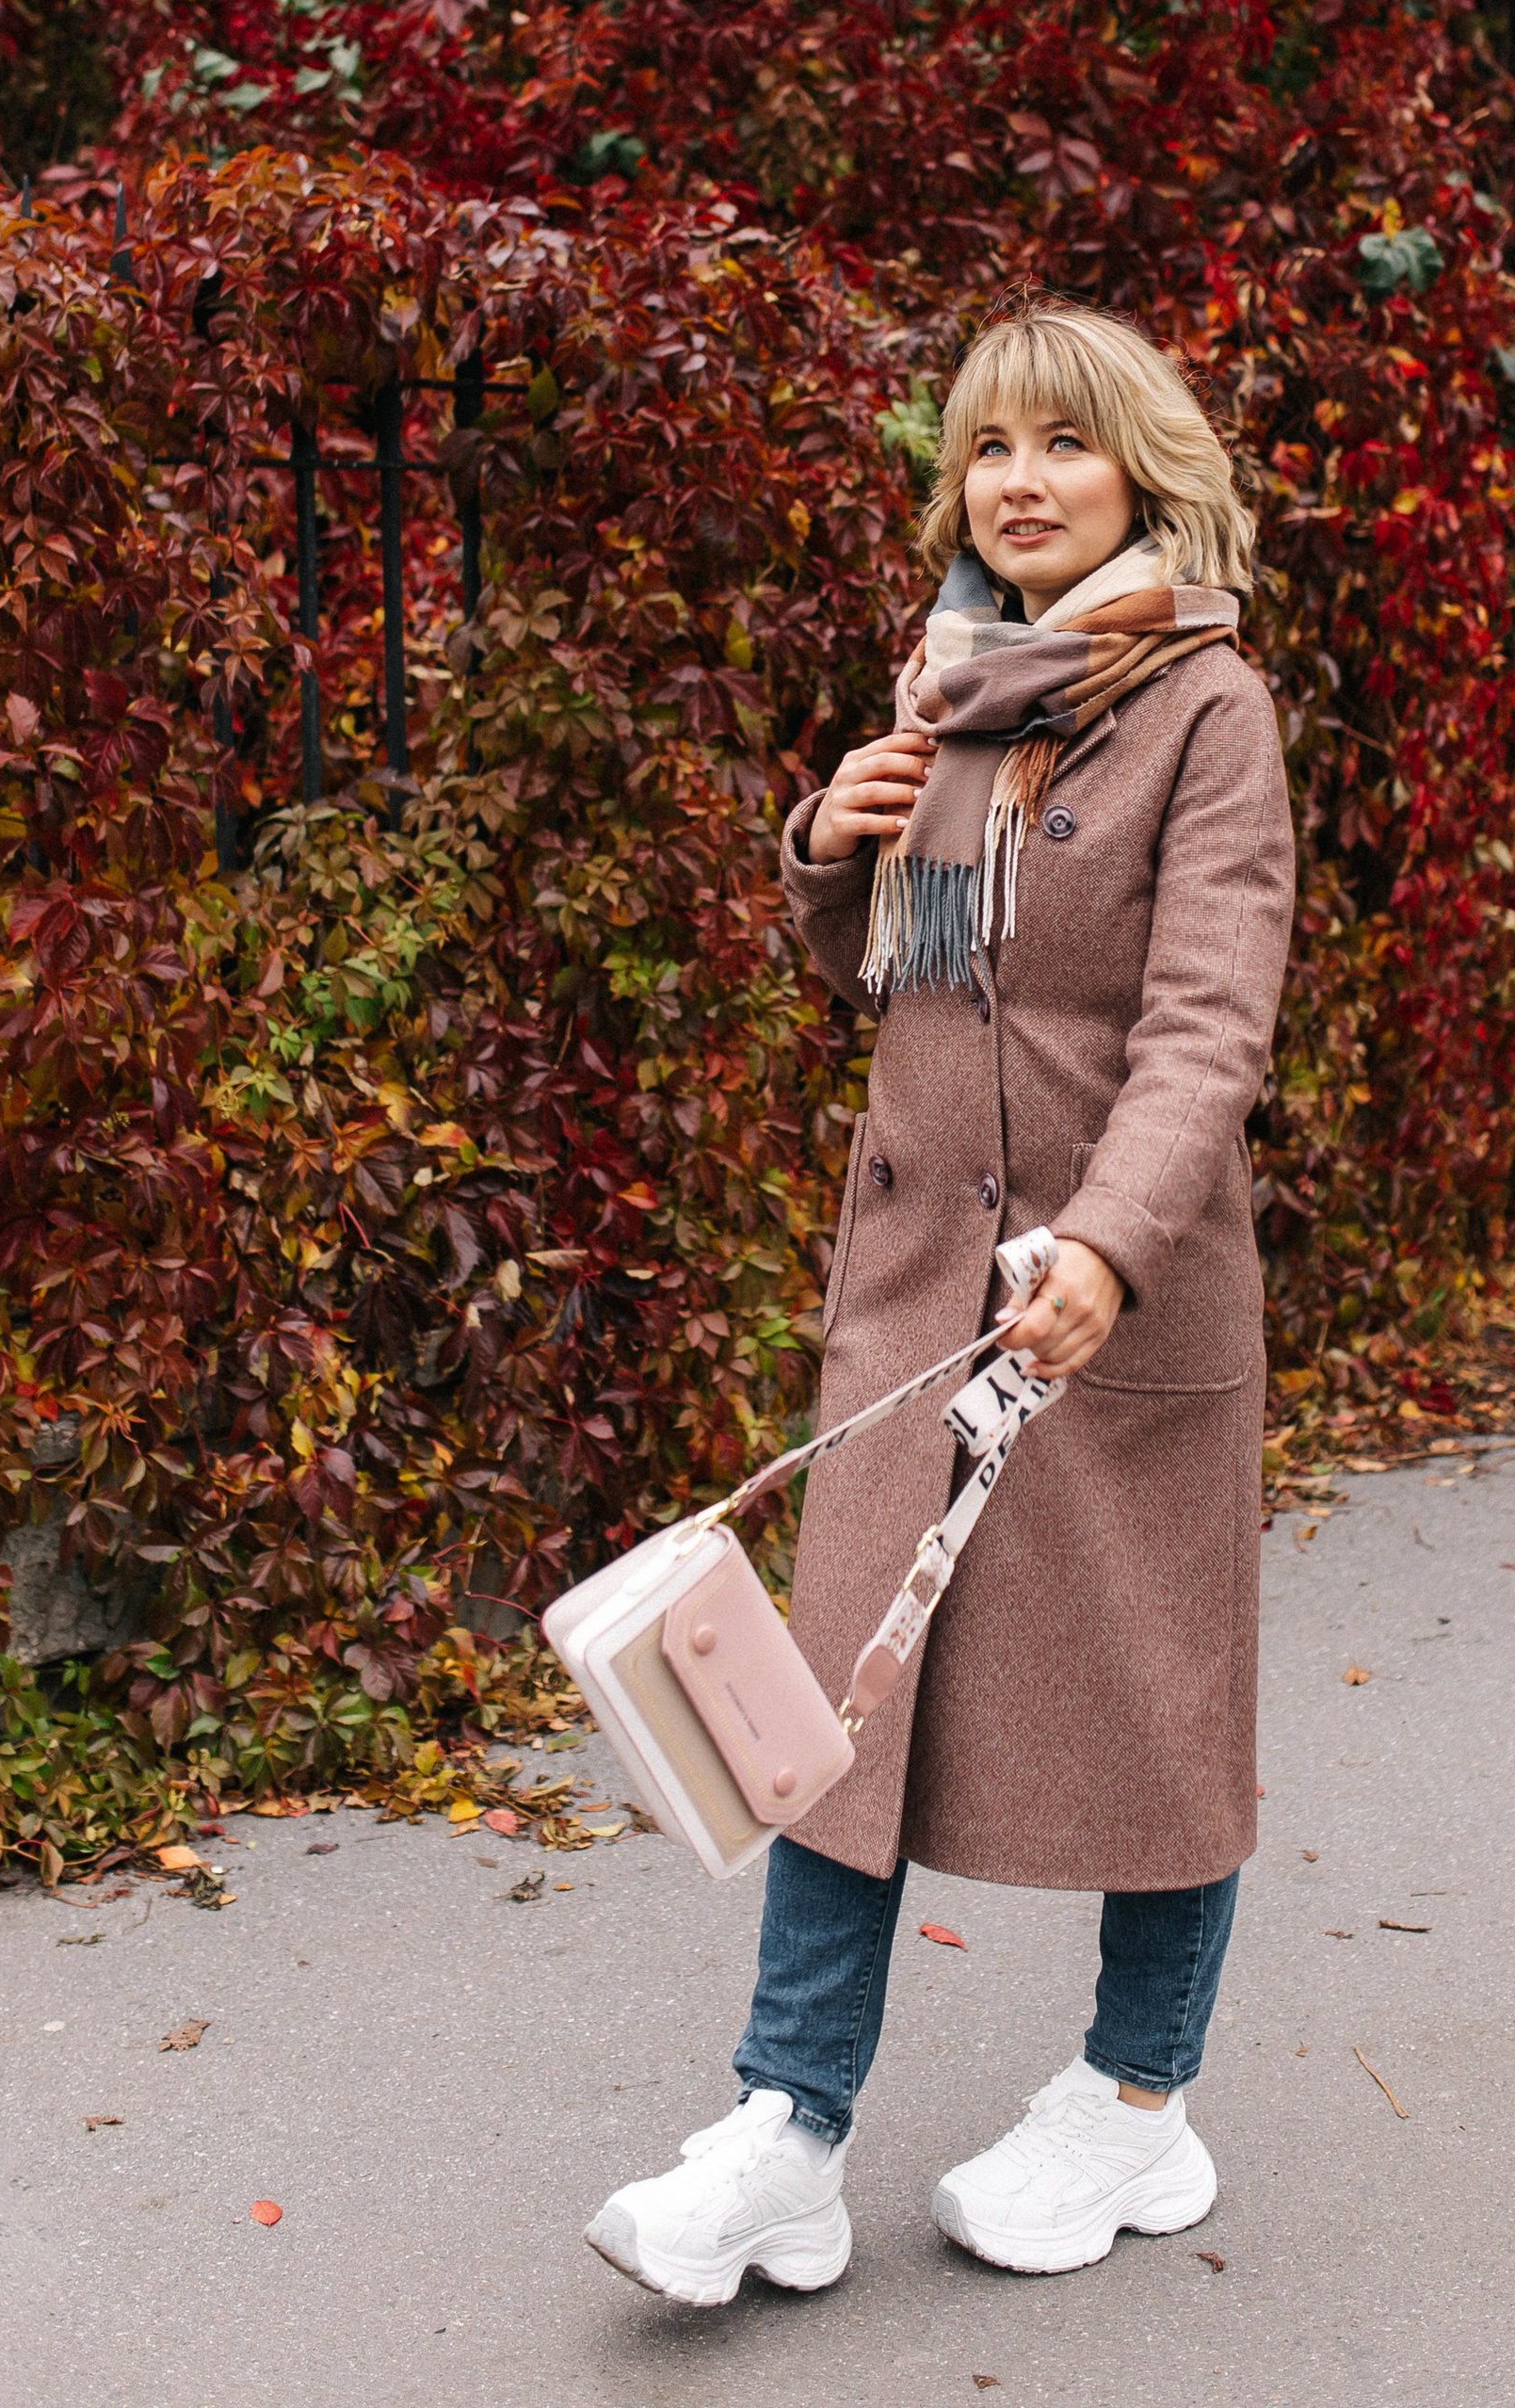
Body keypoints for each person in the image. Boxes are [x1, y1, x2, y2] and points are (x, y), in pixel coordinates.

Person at [587, 302, 1296, 2303]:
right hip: (917, 1289)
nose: (1020, 482)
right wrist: (827, 845)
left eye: (1062, 446)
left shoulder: (1202, 705)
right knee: (836, 1721)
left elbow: (1204, 1021)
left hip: (1105, 1299)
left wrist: (1111, 1236)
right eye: (990, 448)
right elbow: (895, 973)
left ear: (1139, 471)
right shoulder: (955, 687)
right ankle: (783, 2132)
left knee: (1156, 1710)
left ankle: (1139, 2102)